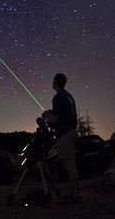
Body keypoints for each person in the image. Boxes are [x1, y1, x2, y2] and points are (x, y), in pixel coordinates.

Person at [43, 73, 80, 204]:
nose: (51, 82)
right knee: (72, 165)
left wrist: (48, 115)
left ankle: (75, 196)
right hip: (73, 132)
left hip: (64, 134)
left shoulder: (58, 97)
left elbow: (56, 119)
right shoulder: (69, 96)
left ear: (56, 82)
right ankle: (75, 193)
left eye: (53, 80)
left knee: (69, 166)